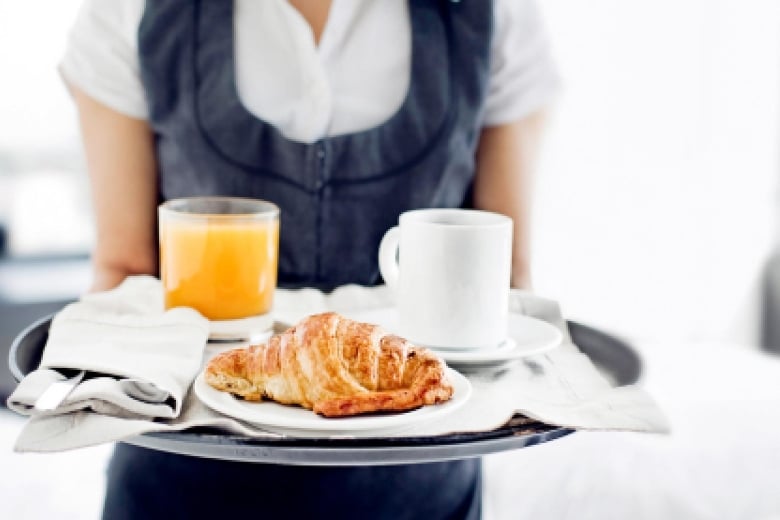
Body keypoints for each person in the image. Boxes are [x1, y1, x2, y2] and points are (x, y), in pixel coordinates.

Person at [62, 0, 560, 518]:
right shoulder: (127, 10)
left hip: (419, 488)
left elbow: (501, 281)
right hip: (179, 484)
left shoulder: (497, 15)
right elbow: (123, 271)